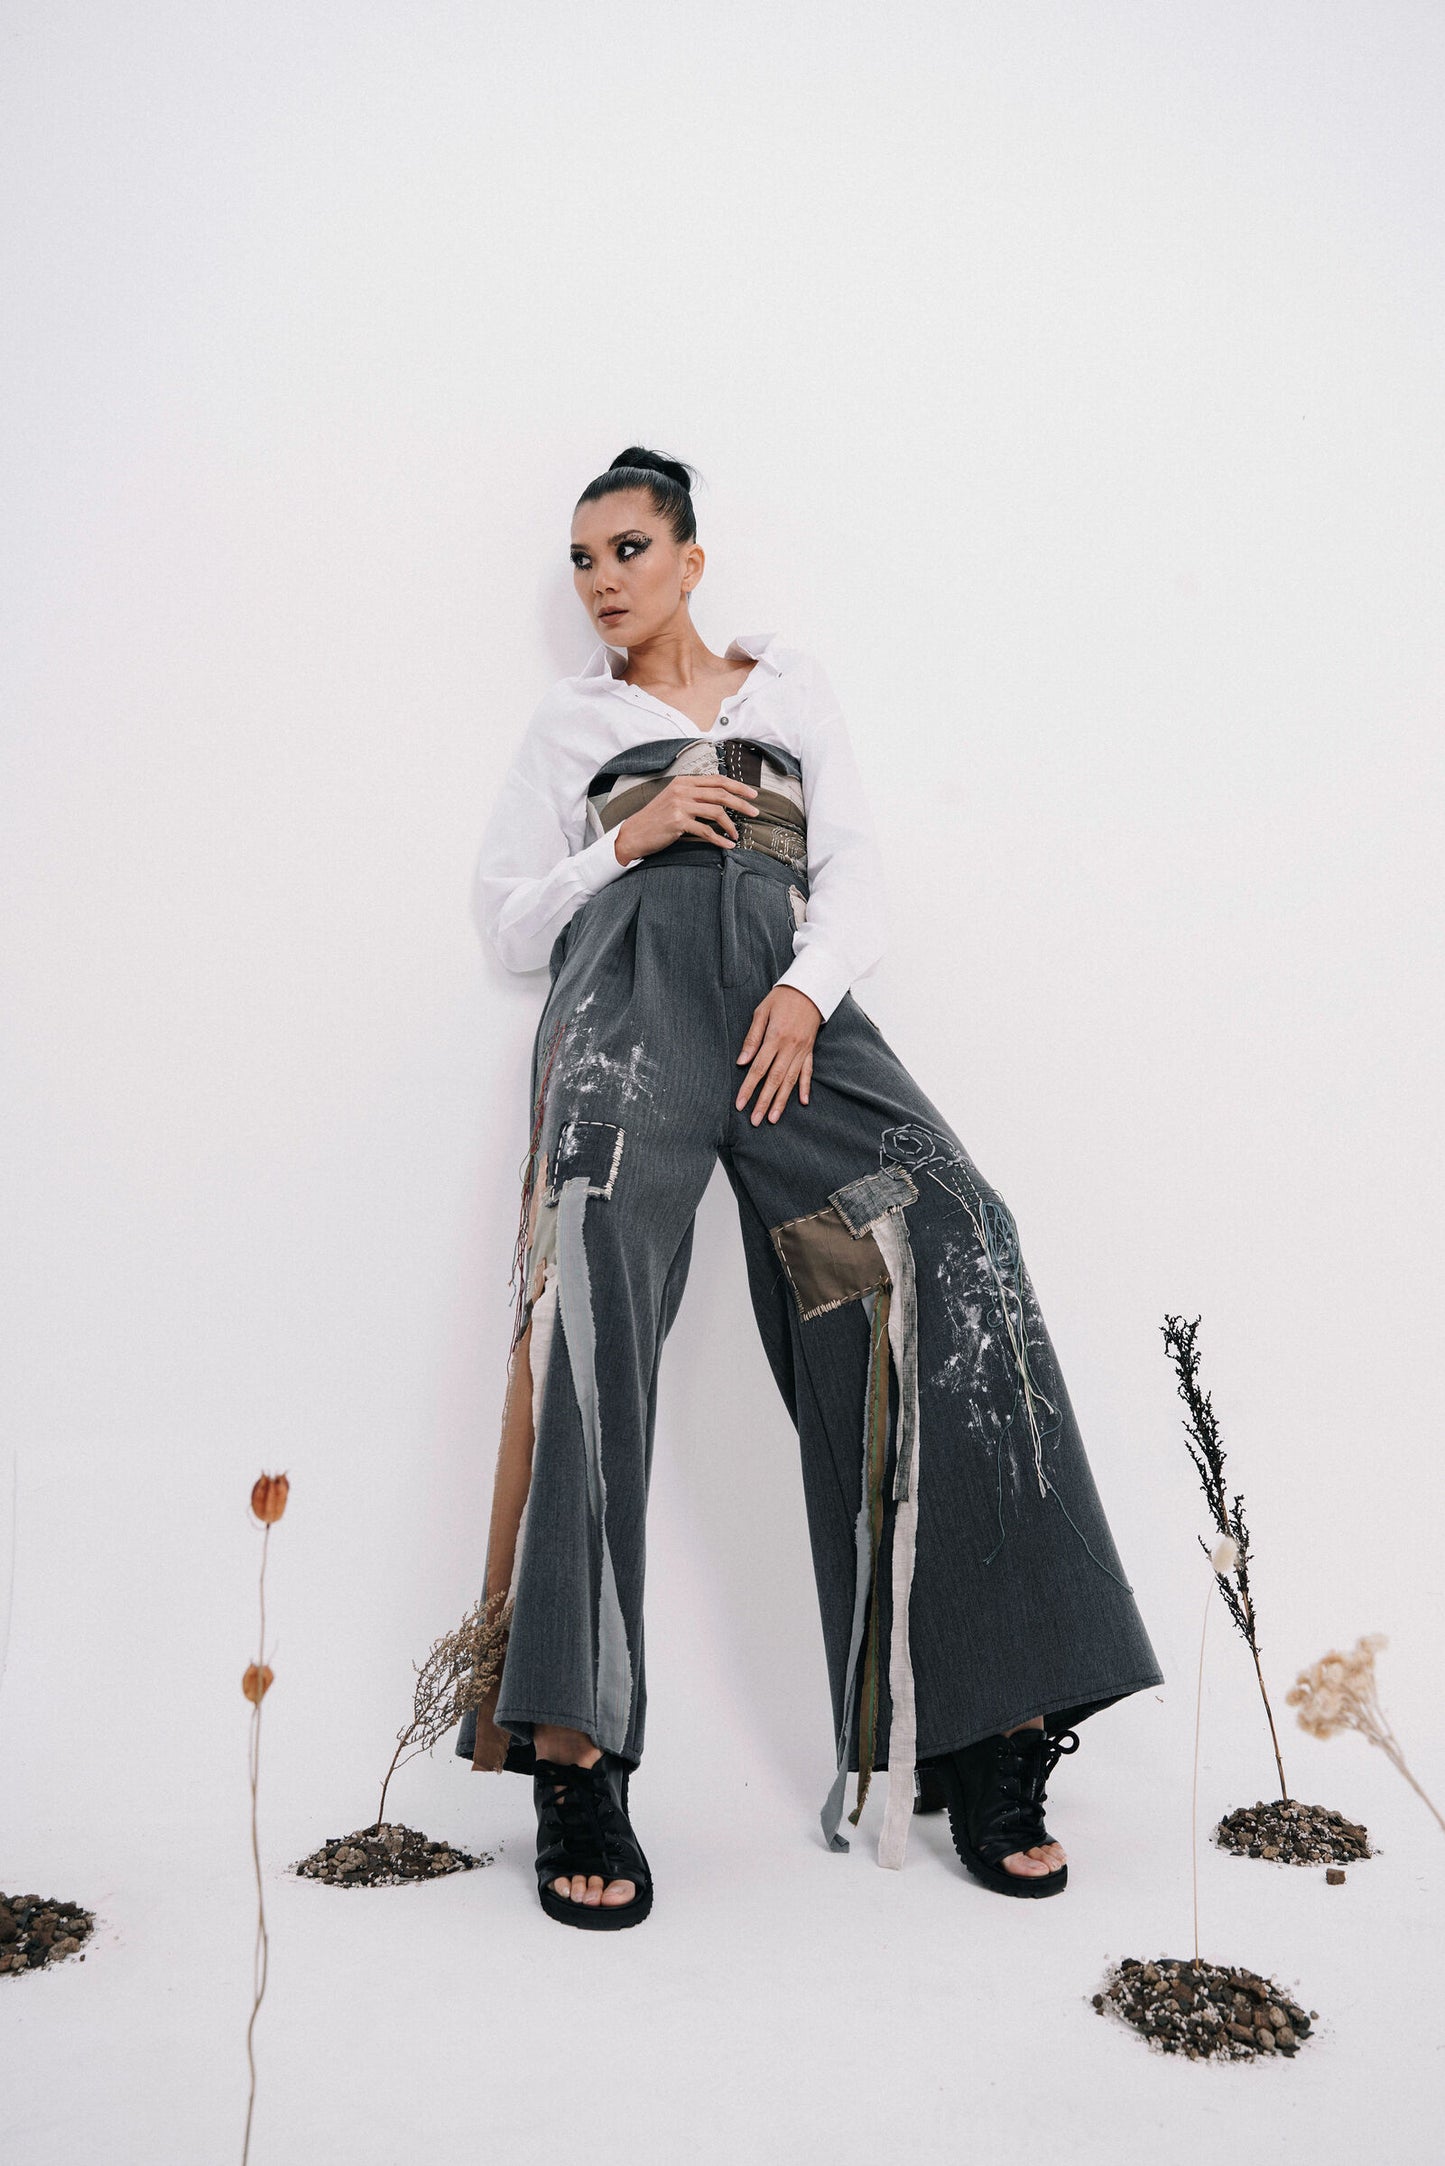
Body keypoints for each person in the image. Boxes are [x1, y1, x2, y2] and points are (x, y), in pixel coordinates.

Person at [454, 446, 1162, 1930]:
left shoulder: (786, 687)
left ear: (691, 559)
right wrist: (627, 838)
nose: (601, 581)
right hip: (627, 1007)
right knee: (593, 1295)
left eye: (628, 549)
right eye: (581, 559)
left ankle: (973, 1725)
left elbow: (856, 872)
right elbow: (510, 920)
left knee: (948, 1237)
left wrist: (805, 990)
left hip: (787, 1017)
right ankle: (575, 1754)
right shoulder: (572, 722)